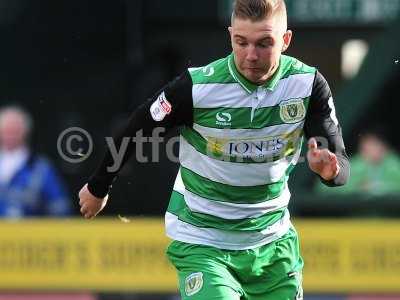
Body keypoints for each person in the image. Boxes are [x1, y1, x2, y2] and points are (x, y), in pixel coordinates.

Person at [78, 0, 350, 299]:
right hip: (203, 239)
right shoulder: (197, 87)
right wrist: (98, 186)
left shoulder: (307, 84)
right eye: (241, 42)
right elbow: (136, 129)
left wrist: (330, 171)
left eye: (264, 43)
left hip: (272, 243)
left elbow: (339, 163)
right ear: (230, 35)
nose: (251, 55)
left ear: (285, 40)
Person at [0, 105, 70, 218]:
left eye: (15, 130)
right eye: (6, 130)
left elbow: (60, 208)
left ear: (26, 132)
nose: (10, 135)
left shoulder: (42, 169)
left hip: (27, 232)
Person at [316, 129, 400, 197]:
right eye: (367, 145)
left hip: (390, 216)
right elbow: (322, 188)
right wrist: (356, 187)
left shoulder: (394, 164)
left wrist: (379, 187)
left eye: (375, 144)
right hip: (357, 216)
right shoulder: (353, 165)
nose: (372, 149)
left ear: (384, 146)